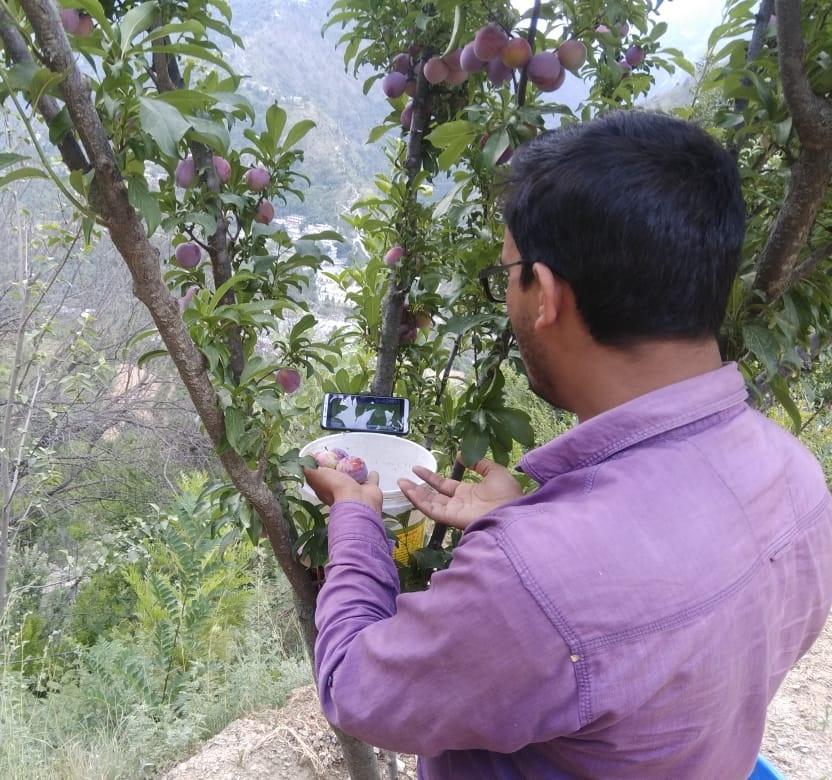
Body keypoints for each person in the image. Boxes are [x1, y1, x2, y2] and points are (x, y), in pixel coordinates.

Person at [303, 111, 832, 779]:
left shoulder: (533, 580)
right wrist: (523, 517)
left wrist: (354, 517)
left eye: (508, 277)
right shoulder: (799, 477)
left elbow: (355, 687)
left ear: (546, 293)